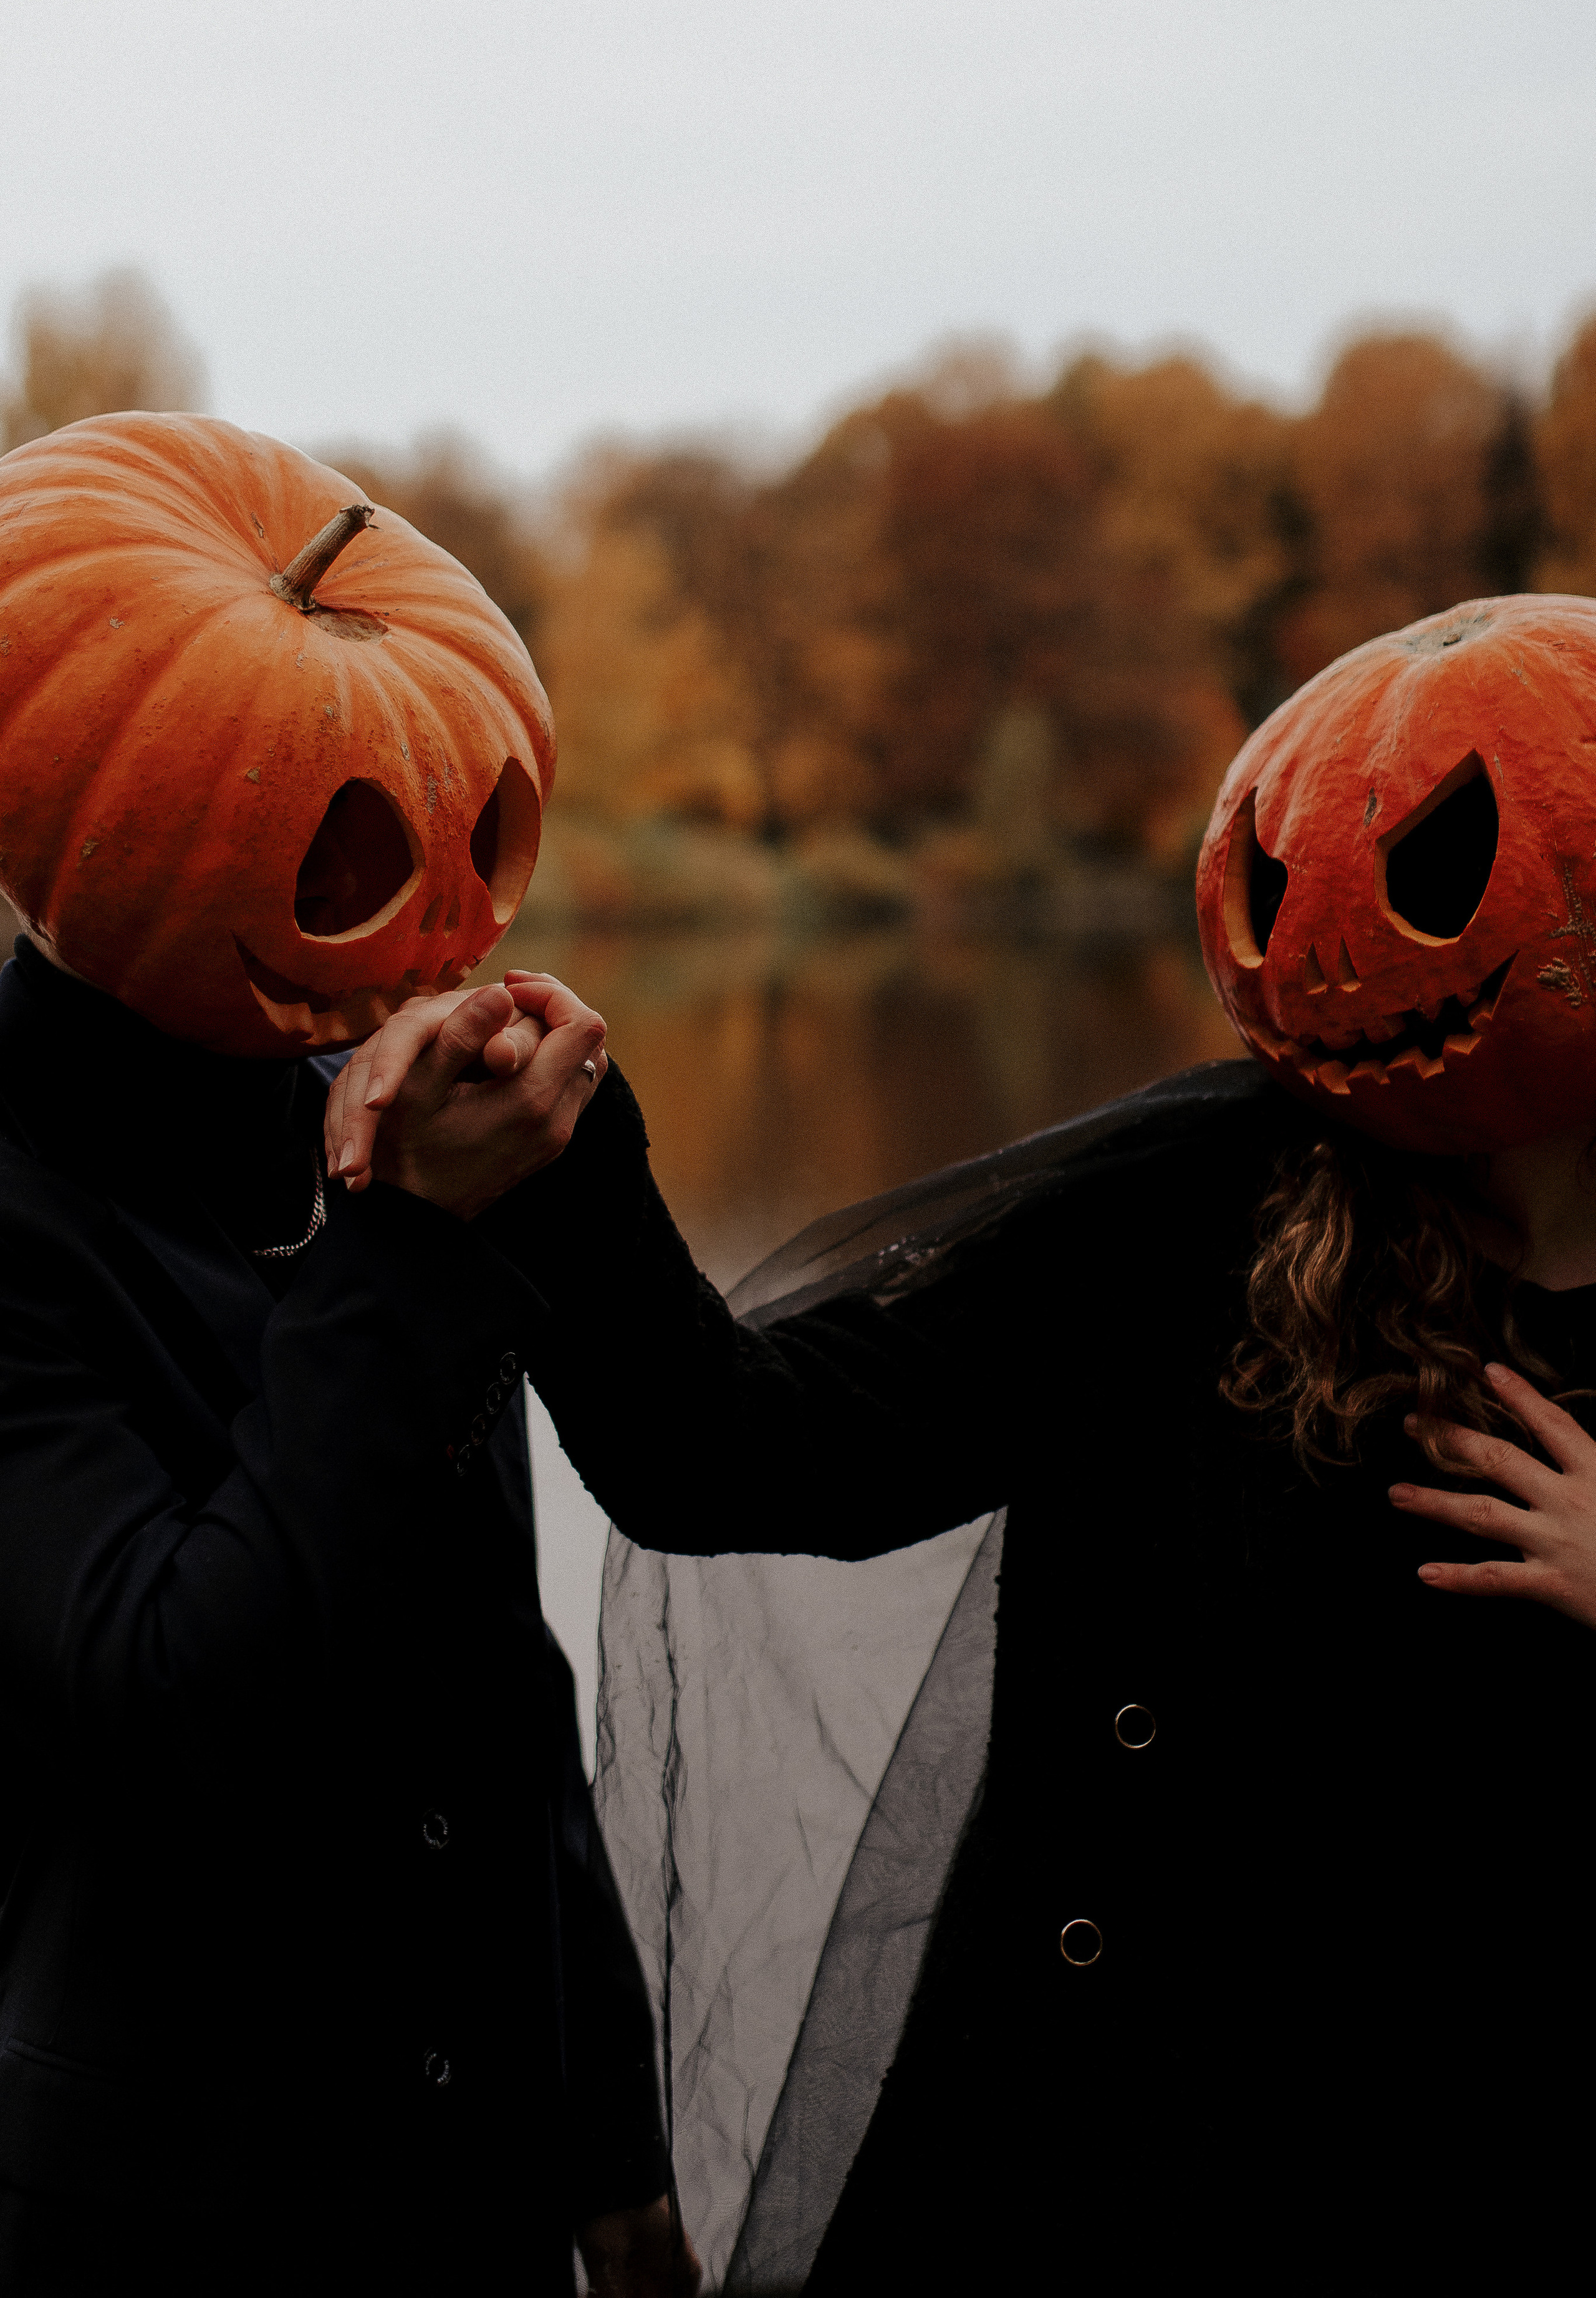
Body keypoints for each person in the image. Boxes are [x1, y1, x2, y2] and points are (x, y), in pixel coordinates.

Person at [330, 594, 1596, 2284]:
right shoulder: (1199, 1203)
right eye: (1291, 887)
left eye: (1438, 872)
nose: (1354, 950)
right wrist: (548, 1162)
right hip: (1089, 2168)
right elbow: (732, 1450)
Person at [0, 413, 700, 2297]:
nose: (415, 915)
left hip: (473, 2185)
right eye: (340, 847)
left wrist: (608, 2131)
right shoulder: (25, 1219)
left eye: (445, 831)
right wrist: (402, 1251)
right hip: (175, 2216)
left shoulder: (372, 1120)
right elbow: (176, 1691)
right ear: (92, 799)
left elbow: (497, 1676)